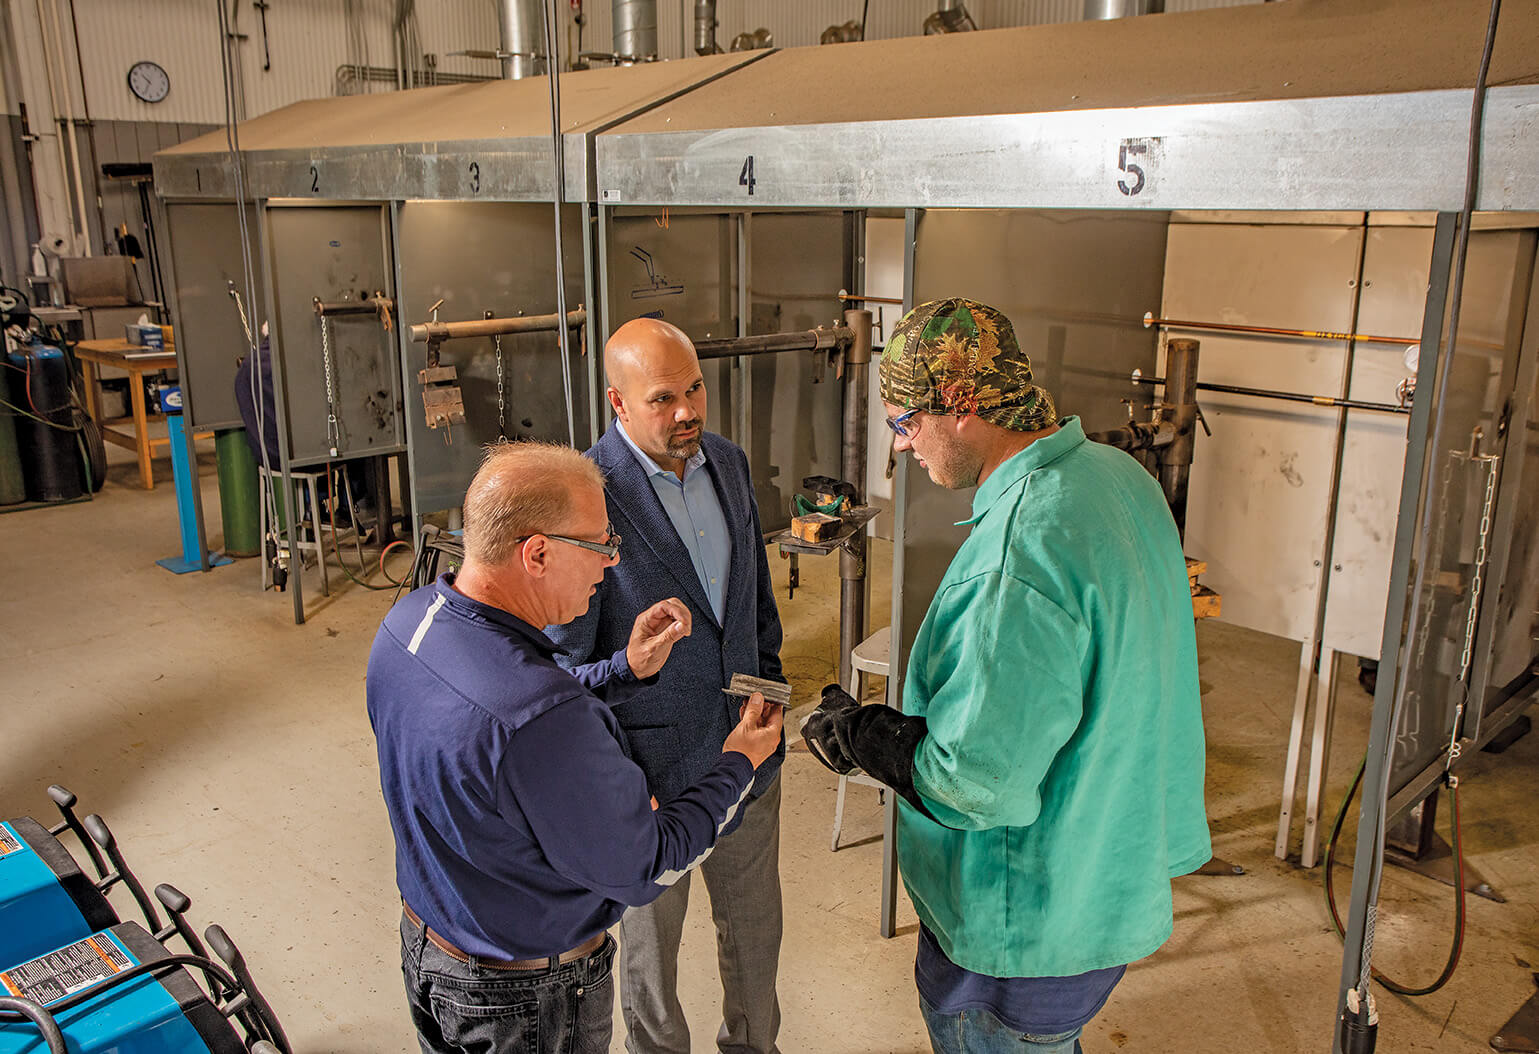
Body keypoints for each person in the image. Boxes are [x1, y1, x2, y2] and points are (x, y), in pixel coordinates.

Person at [801, 298, 1211, 1054]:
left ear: (958, 404)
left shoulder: (1019, 554)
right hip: (1108, 872)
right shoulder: (1115, 476)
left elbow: (973, 785)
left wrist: (864, 737)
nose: (900, 449)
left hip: (1023, 920)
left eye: (904, 423)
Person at [367, 440, 784, 1054]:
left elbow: (506, 715)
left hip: (433, 950)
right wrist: (738, 763)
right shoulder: (544, 720)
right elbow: (648, 865)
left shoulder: (410, 626)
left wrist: (623, 667)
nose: (611, 565)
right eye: (600, 545)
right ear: (536, 553)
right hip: (528, 1003)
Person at [545, 318, 786, 1054]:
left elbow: (756, 600)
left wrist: (768, 691)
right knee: (652, 966)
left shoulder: (729, 463)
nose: (687, 411)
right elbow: (558, 671)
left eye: (694, 389)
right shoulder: (583, 496)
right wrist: (611, 780)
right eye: (662, 399)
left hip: (747, 758)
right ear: (617, 404)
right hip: (649, 785)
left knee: (754, 940)